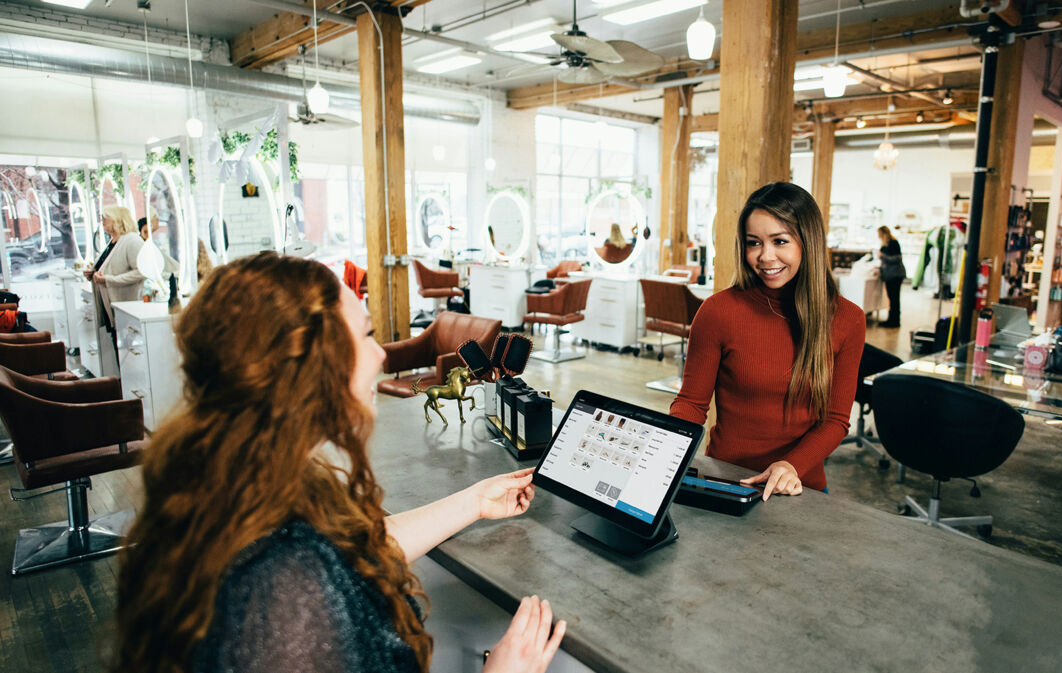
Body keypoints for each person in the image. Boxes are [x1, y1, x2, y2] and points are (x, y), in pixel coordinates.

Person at [114, 253, 565, 673]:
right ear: (311, 365)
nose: (381, 356)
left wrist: (473, 502)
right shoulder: (285, 593)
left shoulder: (237, 482)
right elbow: (316, 570)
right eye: (367, 335)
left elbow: (350, 553)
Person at [670, 182, 865, 499]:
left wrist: (790, 465)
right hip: (726, 480)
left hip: (800, 487)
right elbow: (691, 404)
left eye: (780, 241)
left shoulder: (847, 319)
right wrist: (662, 453)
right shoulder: (718, 312)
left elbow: (836, 420)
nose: (765, 256)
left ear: (808, 243)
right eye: (754, 243)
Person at [91, 205, 145, 332]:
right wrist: (93, 272)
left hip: (125, 302)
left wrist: (109, 279)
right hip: (109, 300)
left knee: (125, 345)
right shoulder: (113, 241)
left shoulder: (132, 241)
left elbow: (141, 272)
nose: (102, 220)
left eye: (106, 217)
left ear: (117, 219)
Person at [876, 226, 906, 328]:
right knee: (892, 298)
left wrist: (882, 256)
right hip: (890, 275)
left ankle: (894, 321)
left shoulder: (893, 243)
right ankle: (892, 319)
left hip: (895, 275)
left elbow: (897, 258)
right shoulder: (886, 243)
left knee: (894, 299)